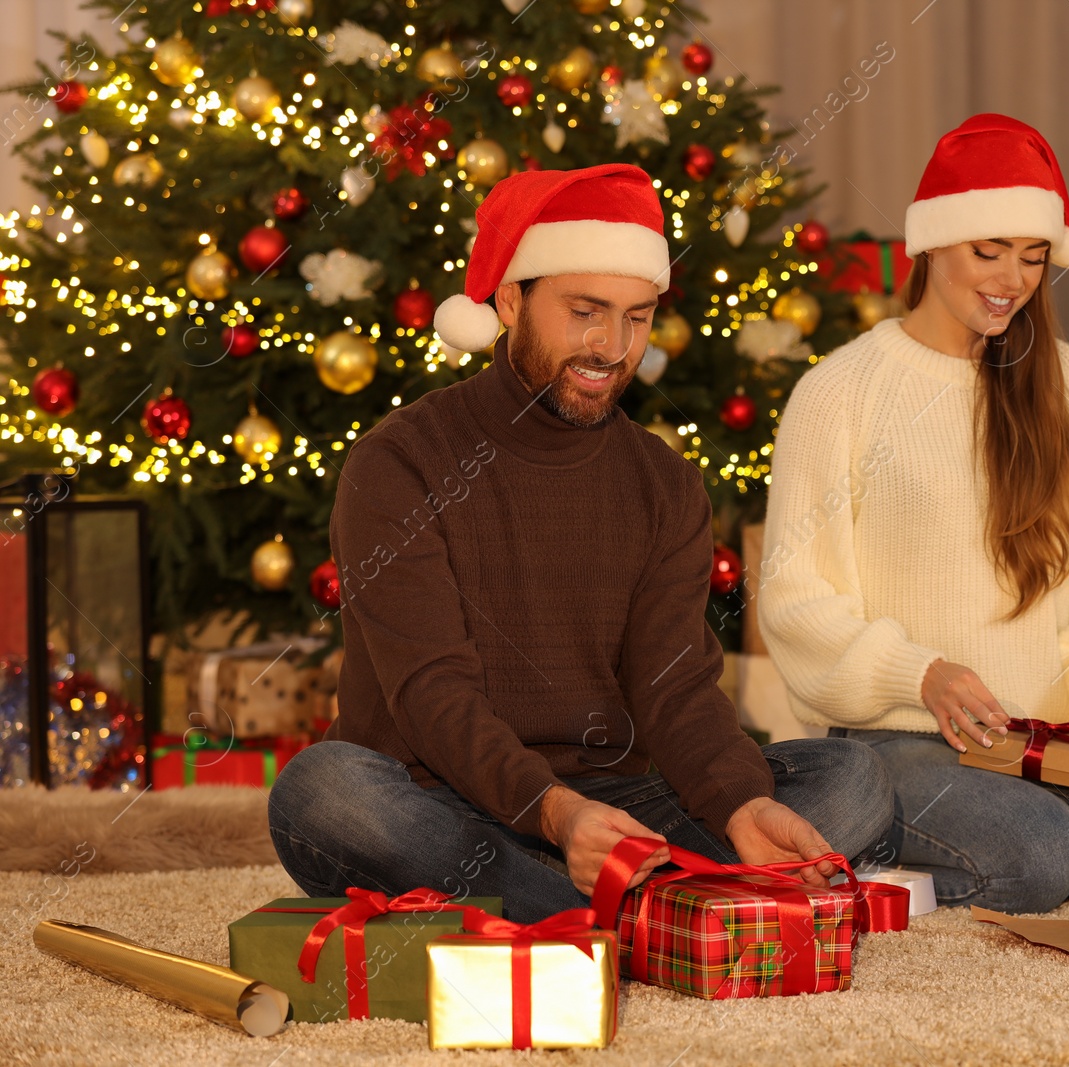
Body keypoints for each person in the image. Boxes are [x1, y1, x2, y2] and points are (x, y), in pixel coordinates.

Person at [268, 164, 892, 922]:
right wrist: (556, 815)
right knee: (323, 794)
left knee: (852, 778)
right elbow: (434, 694)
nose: (611, 346)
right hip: (445, 794)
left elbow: (674, 688)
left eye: (637, 316)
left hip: (615, 807)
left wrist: (738, 805)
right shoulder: (399, 460)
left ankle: (584, 906)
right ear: (509, 300)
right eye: (585, 311)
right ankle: (650, 910)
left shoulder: (664, 482)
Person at [758, 115, 1069, 914]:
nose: (1012, 278)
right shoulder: (839, 392)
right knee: (1039, 856)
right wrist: (919, 671)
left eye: (1033, 256)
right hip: (896, 731)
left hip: (1038, 735)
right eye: (987, 252)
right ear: (930, 247)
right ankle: (859, 861)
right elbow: (794, 601)